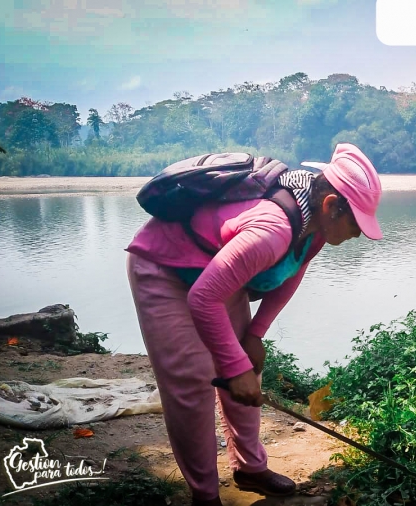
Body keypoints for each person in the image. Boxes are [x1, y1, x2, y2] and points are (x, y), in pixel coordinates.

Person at [125, 143, 382, 506]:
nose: (358, 233)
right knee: (192, 384)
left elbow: (293, 271)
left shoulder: (315, 227)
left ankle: (249, 468)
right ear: (330, 205)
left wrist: (255, 334)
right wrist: (232, 367)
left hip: (215, 271)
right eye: (356, 222)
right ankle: (205, 495)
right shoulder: (272, 229)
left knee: (250, 366)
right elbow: (203, 300)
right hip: (164, 269)